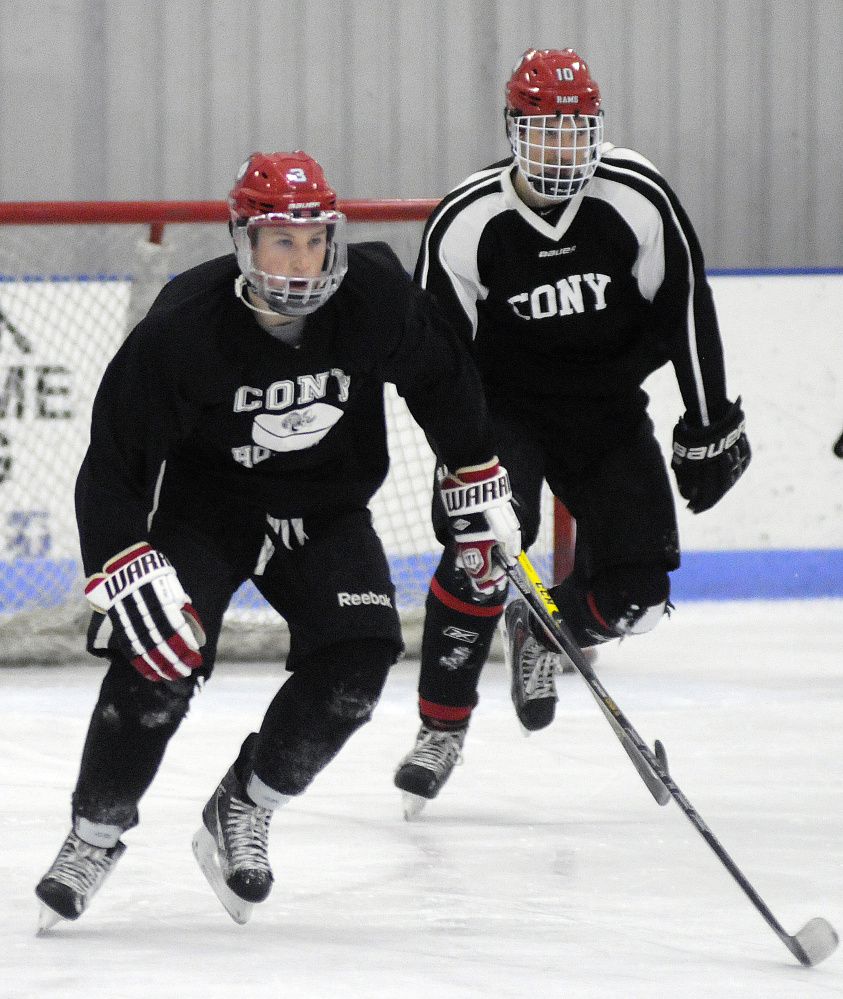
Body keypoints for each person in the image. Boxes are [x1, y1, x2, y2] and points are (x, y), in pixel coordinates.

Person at [35, 150, 520, 928]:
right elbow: (114, 465)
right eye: (280, 241)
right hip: (209, 511)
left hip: (325, 509)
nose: (303, 259)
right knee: (158, 657)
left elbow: (442, 378)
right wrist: (122, 560)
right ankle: (94, 834)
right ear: (241, 241)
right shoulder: (184, 326)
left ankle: (244, 803)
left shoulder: (373, 295)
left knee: (359, 661)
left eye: (314, 239)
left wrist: (476, 474)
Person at [394, 48, 751, 818]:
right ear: (512, 128)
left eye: (575, 129)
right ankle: (440, 727)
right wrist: (464, 461)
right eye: (544, 130)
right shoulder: (468, 221)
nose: (561, 148)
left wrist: (709, 419)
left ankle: (543, 628)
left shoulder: (636, 198)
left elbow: (685, 306)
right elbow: (435, 359)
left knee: (641, 595)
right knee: (479, 554)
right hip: (503, 413)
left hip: (605, 409)